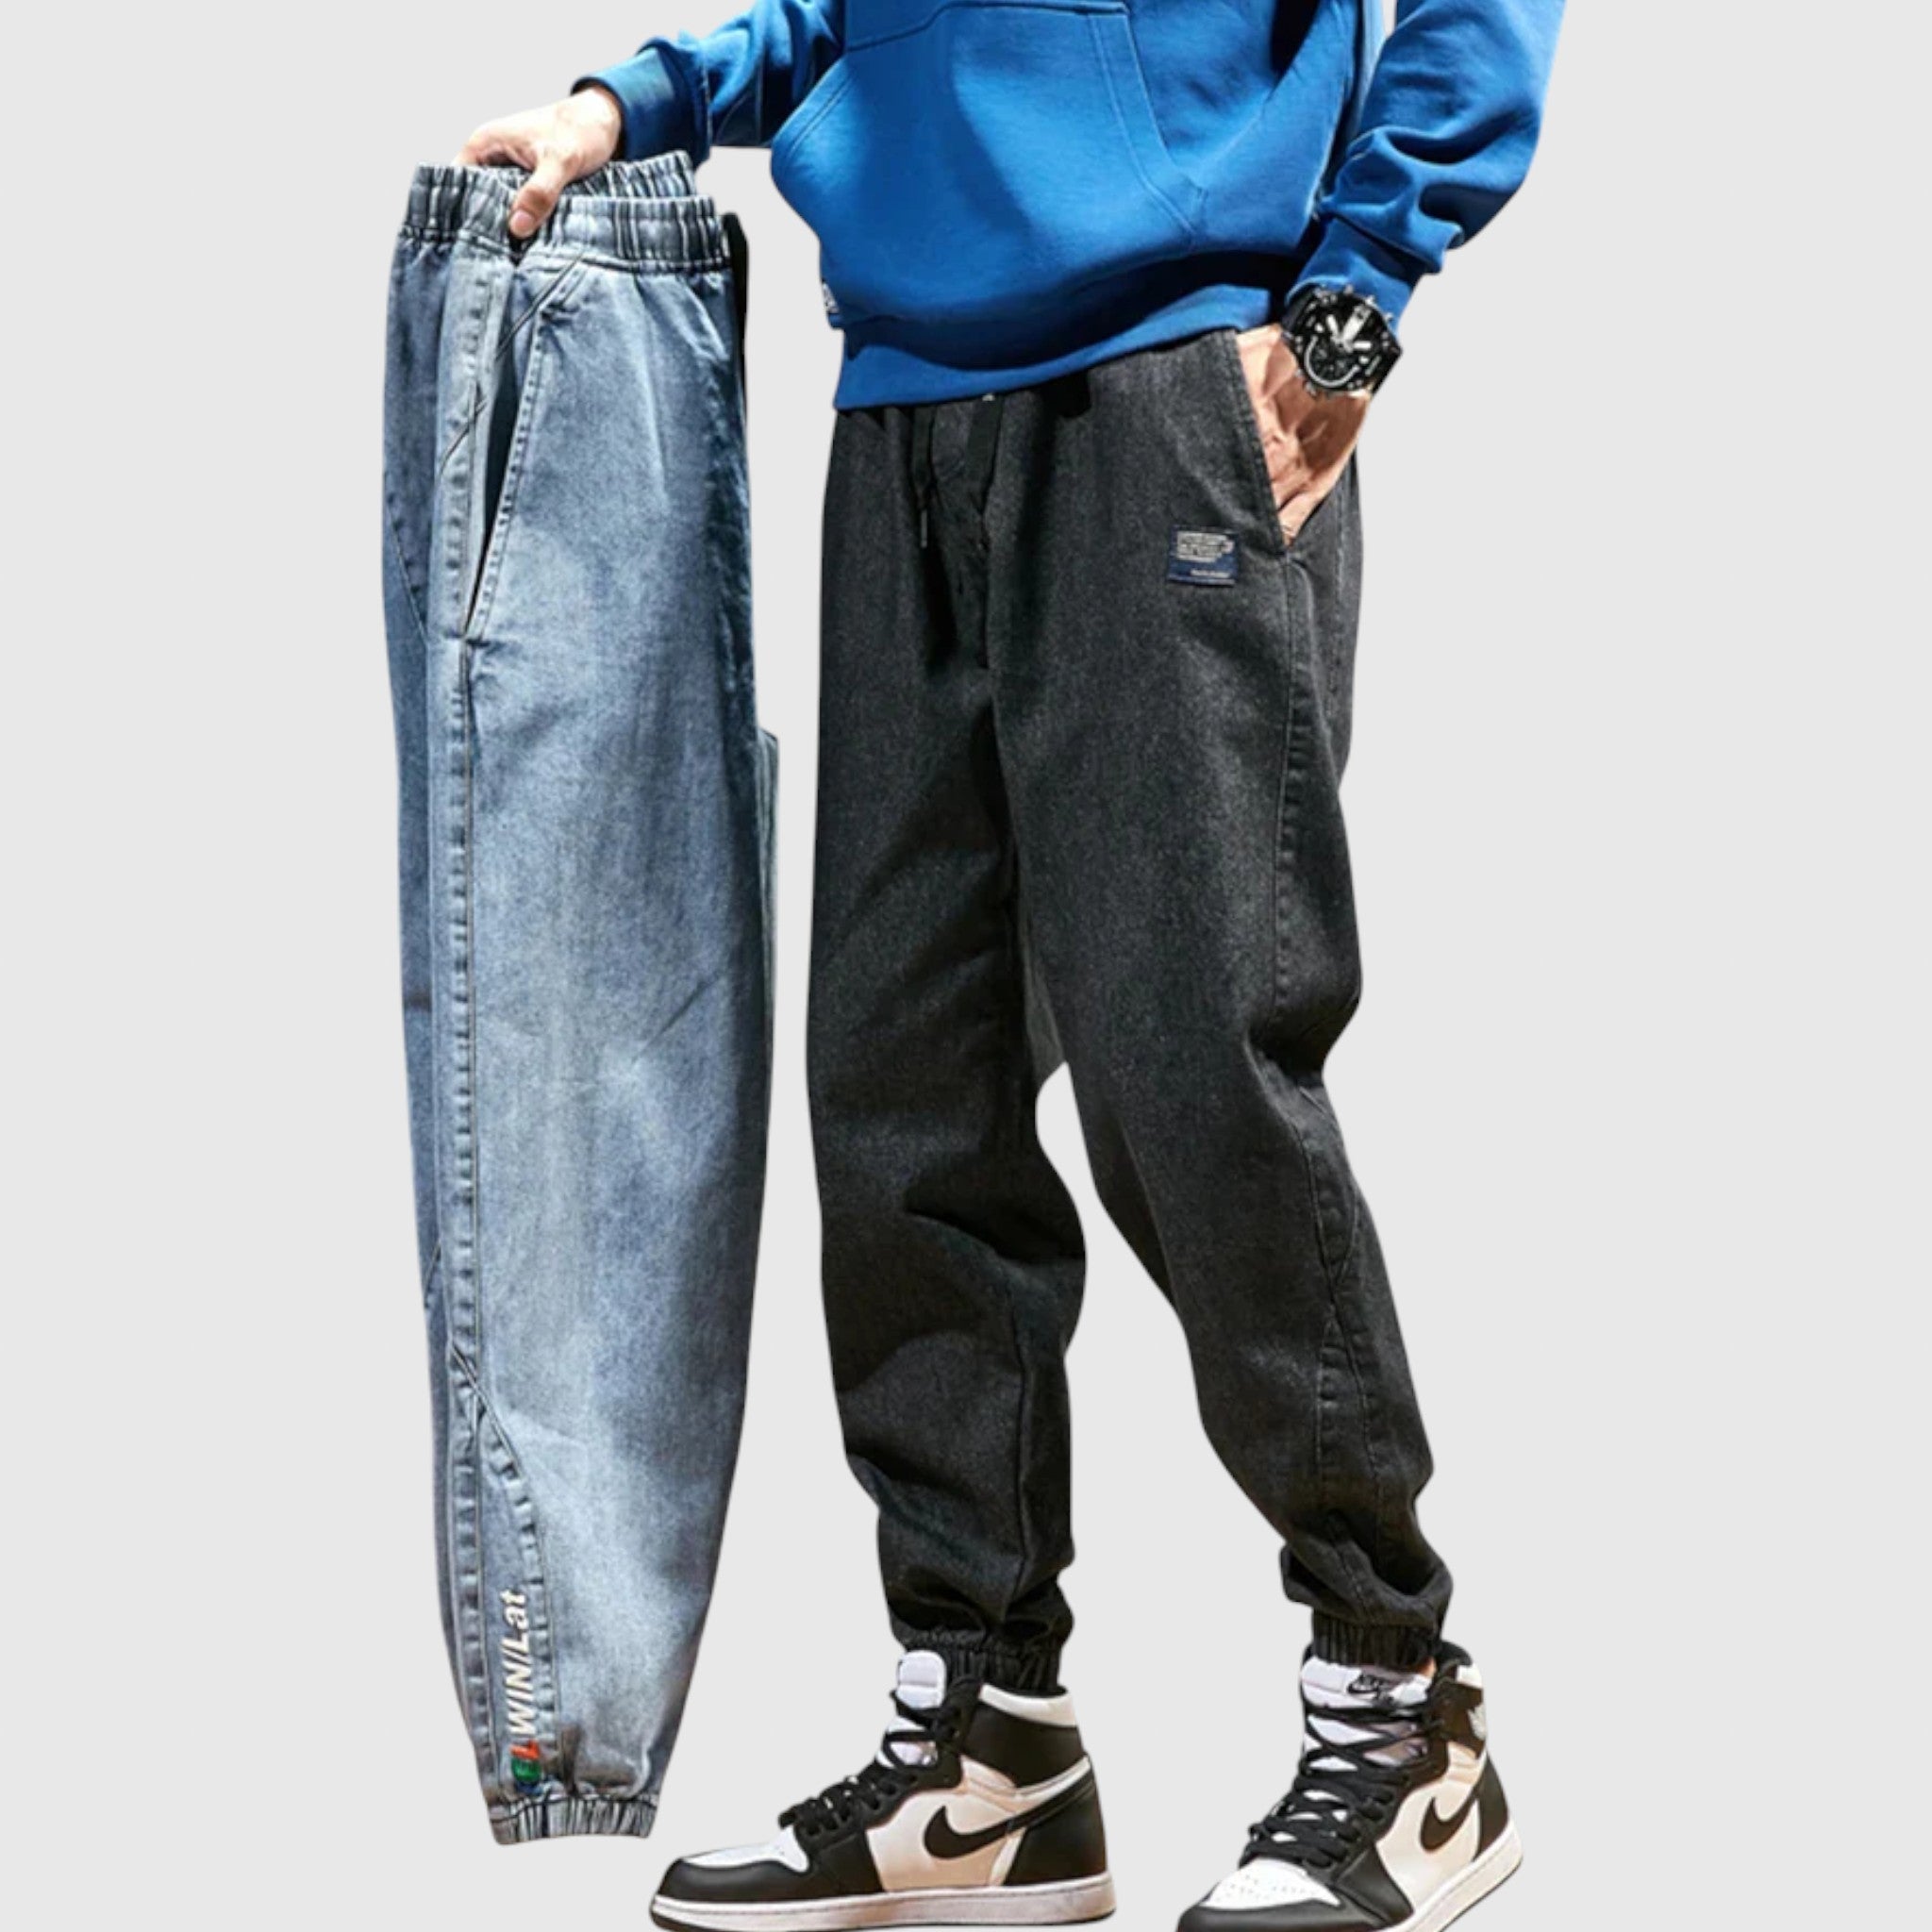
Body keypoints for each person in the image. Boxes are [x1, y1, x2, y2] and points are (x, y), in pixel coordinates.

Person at [458, 5, 1562, 1928]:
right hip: (901, 399)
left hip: (1172, 391)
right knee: (904, 1096)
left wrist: (1352, 302)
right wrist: (634, 102)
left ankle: (1405, 1707)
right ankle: (991, 1741)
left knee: (1195, 1076)